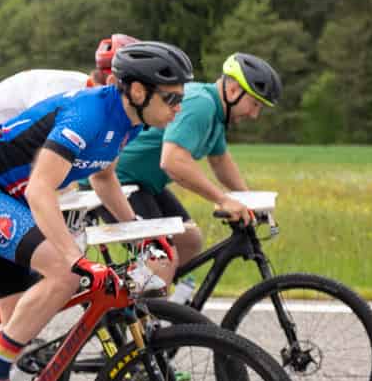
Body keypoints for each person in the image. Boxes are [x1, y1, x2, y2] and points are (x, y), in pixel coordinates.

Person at [0, 42, 196, 381]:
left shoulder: (126, 120)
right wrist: (74, 259)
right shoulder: (89, 114)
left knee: (19, 318)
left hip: (6, 199)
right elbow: (40, 189)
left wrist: (140, 233)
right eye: (172, 98)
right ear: (139, 91)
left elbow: (104, 177)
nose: (179, 108)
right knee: (62, 274)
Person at [0, 34, 137, 340]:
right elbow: (32, 158)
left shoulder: (110, 116)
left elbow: (102, 175)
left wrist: (135, 231)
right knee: (26, 250)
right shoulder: (71, 94)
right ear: (116, 82)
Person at [118, 52, 276, 266]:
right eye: (254, 104)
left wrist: (249, 201)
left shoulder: (217, 114)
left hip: (145, 184)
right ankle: (139, 298)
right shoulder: (201, 104)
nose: (254, 115)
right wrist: (223, 200)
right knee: (161, 261)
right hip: (120, 182)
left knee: (189, 241)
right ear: (233, 90)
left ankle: (165, 297)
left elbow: (221, 162)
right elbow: (172, 160)